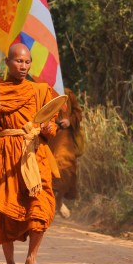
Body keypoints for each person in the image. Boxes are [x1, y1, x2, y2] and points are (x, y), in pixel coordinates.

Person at [0, 43, 60, 264]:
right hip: (8, 153)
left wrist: (47, 128)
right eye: (18, 61)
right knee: (6, 209)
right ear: (7, 63)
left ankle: (31, 260)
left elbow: (52, 123)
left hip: (35, 153)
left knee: (41, 206)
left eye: (27, 62)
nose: (23, 66)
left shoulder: (41, 90)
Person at [48, 88, 84, 219]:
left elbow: (78, 113)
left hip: (65, 139)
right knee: (48, 173)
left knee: (68, 171)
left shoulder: (68, 93)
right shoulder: (42, 90)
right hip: (48, 138)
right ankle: (49, 204)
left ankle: (59, 199)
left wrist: (69, 121)